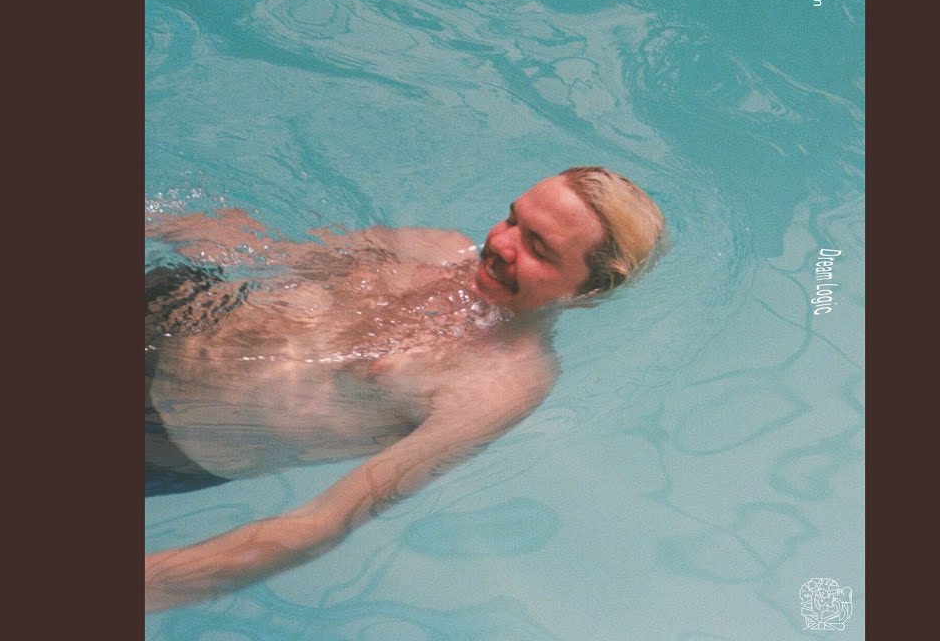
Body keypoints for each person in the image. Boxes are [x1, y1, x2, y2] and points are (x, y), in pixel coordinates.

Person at [144, 167, 665, 612]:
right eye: (512, 219)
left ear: (590, 291)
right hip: (171, 307)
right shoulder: (431, 248)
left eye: (538, 248)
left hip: (163, 434)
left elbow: (319, 525)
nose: (500, 243)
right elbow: (269, 252)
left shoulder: (503, 384)